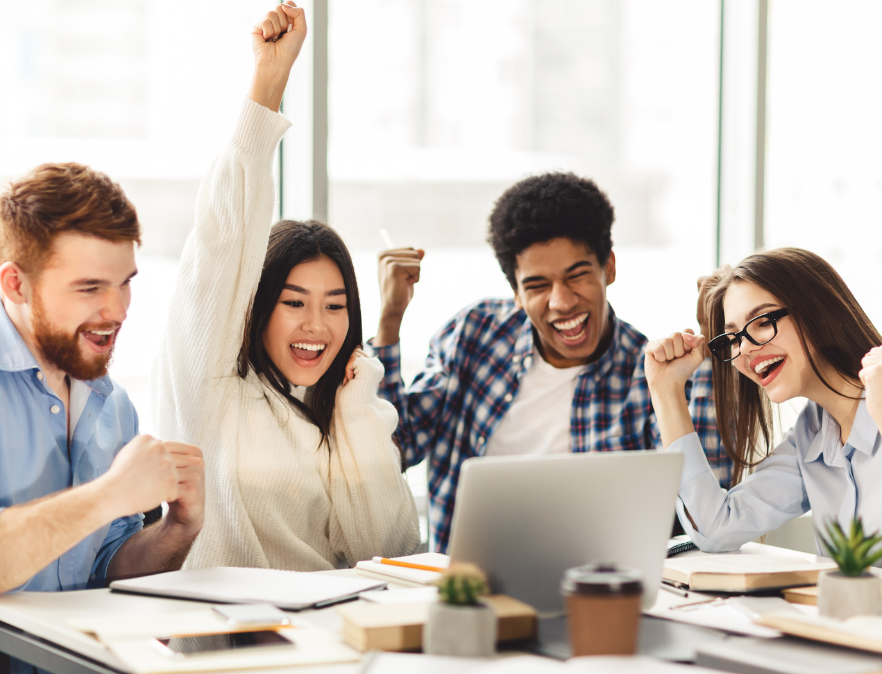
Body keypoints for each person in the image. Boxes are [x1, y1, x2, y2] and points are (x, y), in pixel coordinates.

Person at [147, 3, 419, 571]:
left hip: (330, 651)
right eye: (293, 302)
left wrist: (354, 413)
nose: (317, 325)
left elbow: (390, 555)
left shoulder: (344, 406)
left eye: (335, 305)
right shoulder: (213, 388)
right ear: (254, 308)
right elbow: (223, 240)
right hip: (228, 655)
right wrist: (269, 82)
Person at [369, 173, 731, 552]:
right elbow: (396, 449)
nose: (562, 302)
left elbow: (704, 519)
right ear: (516, 293)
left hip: (595, 591)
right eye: (538, 286)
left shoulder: (651, 379)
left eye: (577, 276)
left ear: (608, 267)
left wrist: (710, 362)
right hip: (468, 594)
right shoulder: (472, 335)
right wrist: (390, 321)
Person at [0, 162, 205, 671]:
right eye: (90, 288)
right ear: (15, 284)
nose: (117, 310)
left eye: (125, 283)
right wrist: (110, 493)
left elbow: (106, 571)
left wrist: (177, 530)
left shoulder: (111, 403)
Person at [645, 247, 882, 553]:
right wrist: (666, 389)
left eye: (762, 321)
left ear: (819, 311)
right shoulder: (810, 435)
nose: (743, 351)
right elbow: (715, 527)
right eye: (734, 338)